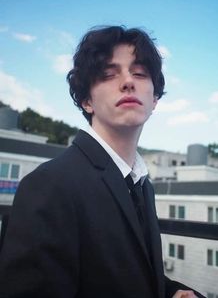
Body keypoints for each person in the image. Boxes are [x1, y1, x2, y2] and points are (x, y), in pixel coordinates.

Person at [0, 26, 205, 298]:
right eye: (109, 74)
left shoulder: (142, 185)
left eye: (140, 73)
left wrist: (171, 292)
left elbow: (128, 275)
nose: (128, 81)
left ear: (154, 98)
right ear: (86, 100)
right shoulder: (48, 185)